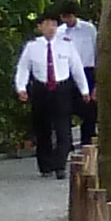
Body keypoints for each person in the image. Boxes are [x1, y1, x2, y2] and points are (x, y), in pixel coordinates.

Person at [13, 15, 75, 176]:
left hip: (62, 88)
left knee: (63, 129)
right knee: (42, 128)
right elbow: (23, 68)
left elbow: (76, 67)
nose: (51, 28)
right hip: (41, 88)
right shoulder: (32, 46)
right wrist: (21, 87)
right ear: (40, 27)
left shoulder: (66, 44)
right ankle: (46, 165)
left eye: (54, 24)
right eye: (47, 24)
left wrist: (84, 90)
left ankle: (60, 165)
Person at [60, 4, 102, 156]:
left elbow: (97, 51)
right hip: (67, 72)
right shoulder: (60, 32)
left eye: (70, 16)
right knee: (66, 108)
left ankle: (87, 141)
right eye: (65, 17)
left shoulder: (88, 29)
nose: (68, 20)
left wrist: (98, 78)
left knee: (89, 108)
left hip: (87, 70)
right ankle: (66, 144)